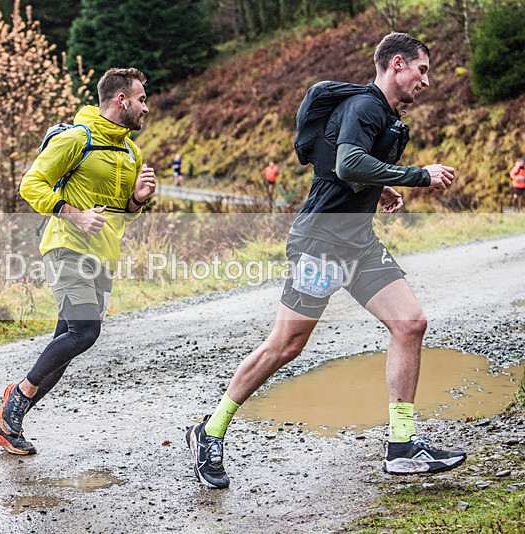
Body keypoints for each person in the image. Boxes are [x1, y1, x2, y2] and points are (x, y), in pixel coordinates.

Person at [186, 32, 465, 489]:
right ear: (397, 64)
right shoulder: (366, 106)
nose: (427, 81)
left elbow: (344, 165)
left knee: (410, 323)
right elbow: (350, 163)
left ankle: (401, 446)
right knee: (286, 345)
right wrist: (418, 175)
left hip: (358, 243)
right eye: (423, 70)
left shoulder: (383, 114)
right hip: (320, 243)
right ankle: (210, 430)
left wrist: (380, 186)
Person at [0, 68, 156, 455]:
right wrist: (73, 213)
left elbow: (121, 215)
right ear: (121, 100)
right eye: (141, 99)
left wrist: (137, 200)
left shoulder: (131, 153)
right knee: (85, 331)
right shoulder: (76, 139)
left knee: (65, 346)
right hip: (66, 246)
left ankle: (8, 425)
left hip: (103, 255)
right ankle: (18, 397)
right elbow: (31, 184)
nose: (146, 108)